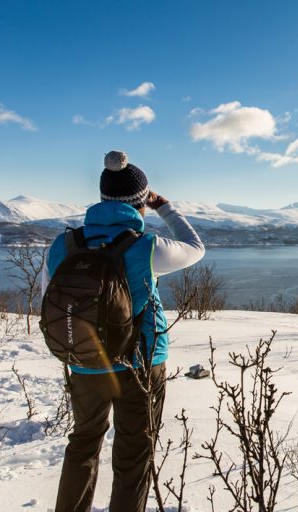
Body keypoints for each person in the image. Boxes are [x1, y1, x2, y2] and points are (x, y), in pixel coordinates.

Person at [41, 150, 205, 512]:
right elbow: (196, 248)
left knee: (82, 443)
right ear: (141, 201)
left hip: (83, 363)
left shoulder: (63, 245)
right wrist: (165, 207)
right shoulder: (146, 247)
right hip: (139, 364)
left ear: (102, 198)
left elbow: (47, 300)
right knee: (133, 454)